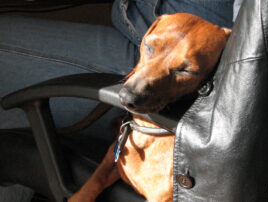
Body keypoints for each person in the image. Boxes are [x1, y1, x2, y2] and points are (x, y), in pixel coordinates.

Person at [0, 0, 242, 201]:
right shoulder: (161, 34)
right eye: (150, 48)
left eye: (184, 70)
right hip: (135, 18)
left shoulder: (230, 47)